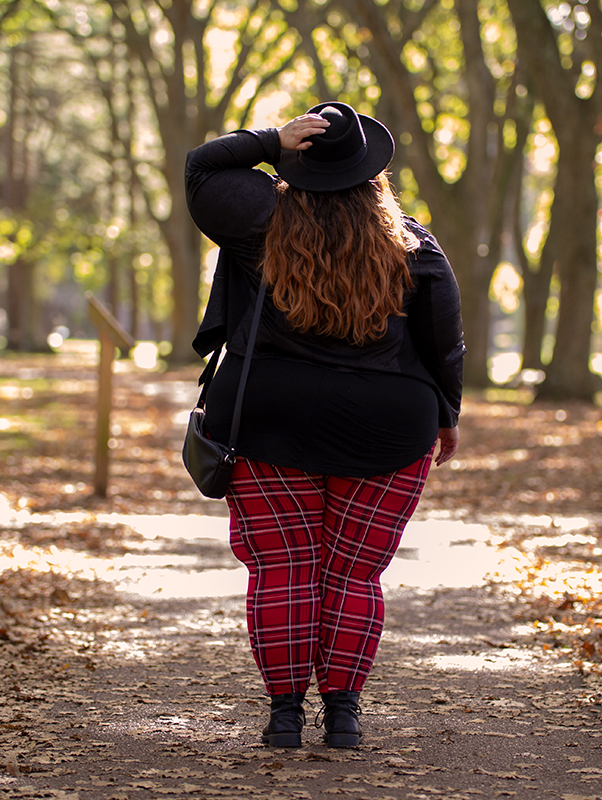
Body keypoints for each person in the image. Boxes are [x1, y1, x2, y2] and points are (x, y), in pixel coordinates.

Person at [184, 102, 464, 749]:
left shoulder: (258, 220)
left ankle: (285, 716)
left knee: (283, 568)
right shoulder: (412, 243)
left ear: (294, 161)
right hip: (389, 424)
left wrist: (269, 140)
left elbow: (202, 167)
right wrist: (447, 415)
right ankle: (343, 713)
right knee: (353, 574)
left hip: (269, 421)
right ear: (375, 176)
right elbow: (443, 342)